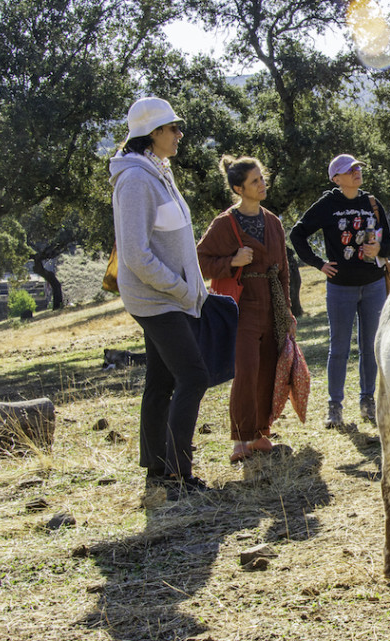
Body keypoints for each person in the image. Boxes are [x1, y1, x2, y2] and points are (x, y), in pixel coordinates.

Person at [110, 97, 209, 499]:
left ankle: (157, 470)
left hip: (169, 296)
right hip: (157, 299)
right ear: (153, 134)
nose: (179, 134)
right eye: (173, 128)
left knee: (161, 379)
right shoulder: (136, 180)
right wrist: (181, 289)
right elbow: (135, 254)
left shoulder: (157, 170)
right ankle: (177, 475)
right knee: (194, 376)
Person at [197, 156, 293, 464]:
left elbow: (284, 272)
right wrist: (231, 262)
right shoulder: (225, 224)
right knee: (246, 370)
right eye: (255, 181)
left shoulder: (273, 222)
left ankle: (260, 433)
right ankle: (240, 439)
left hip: (271, 303)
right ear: (239, 188)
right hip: (240, 306)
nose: (262, 183)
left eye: (262, 178)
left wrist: (287, 312)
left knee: (268, 367)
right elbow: (200, 259)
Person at [290, 154, 390, 428]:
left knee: (370, 347)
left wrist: (378, 250)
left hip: (373, 285)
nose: (356, 172)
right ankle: (334, 407)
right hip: (340, 288)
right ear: (336, 178)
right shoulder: (327, 205)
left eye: (358, 168)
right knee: (338, 349)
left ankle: (367, 401)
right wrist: (318, 264)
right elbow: (297, 234)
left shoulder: (371, 203)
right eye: (349, 170)